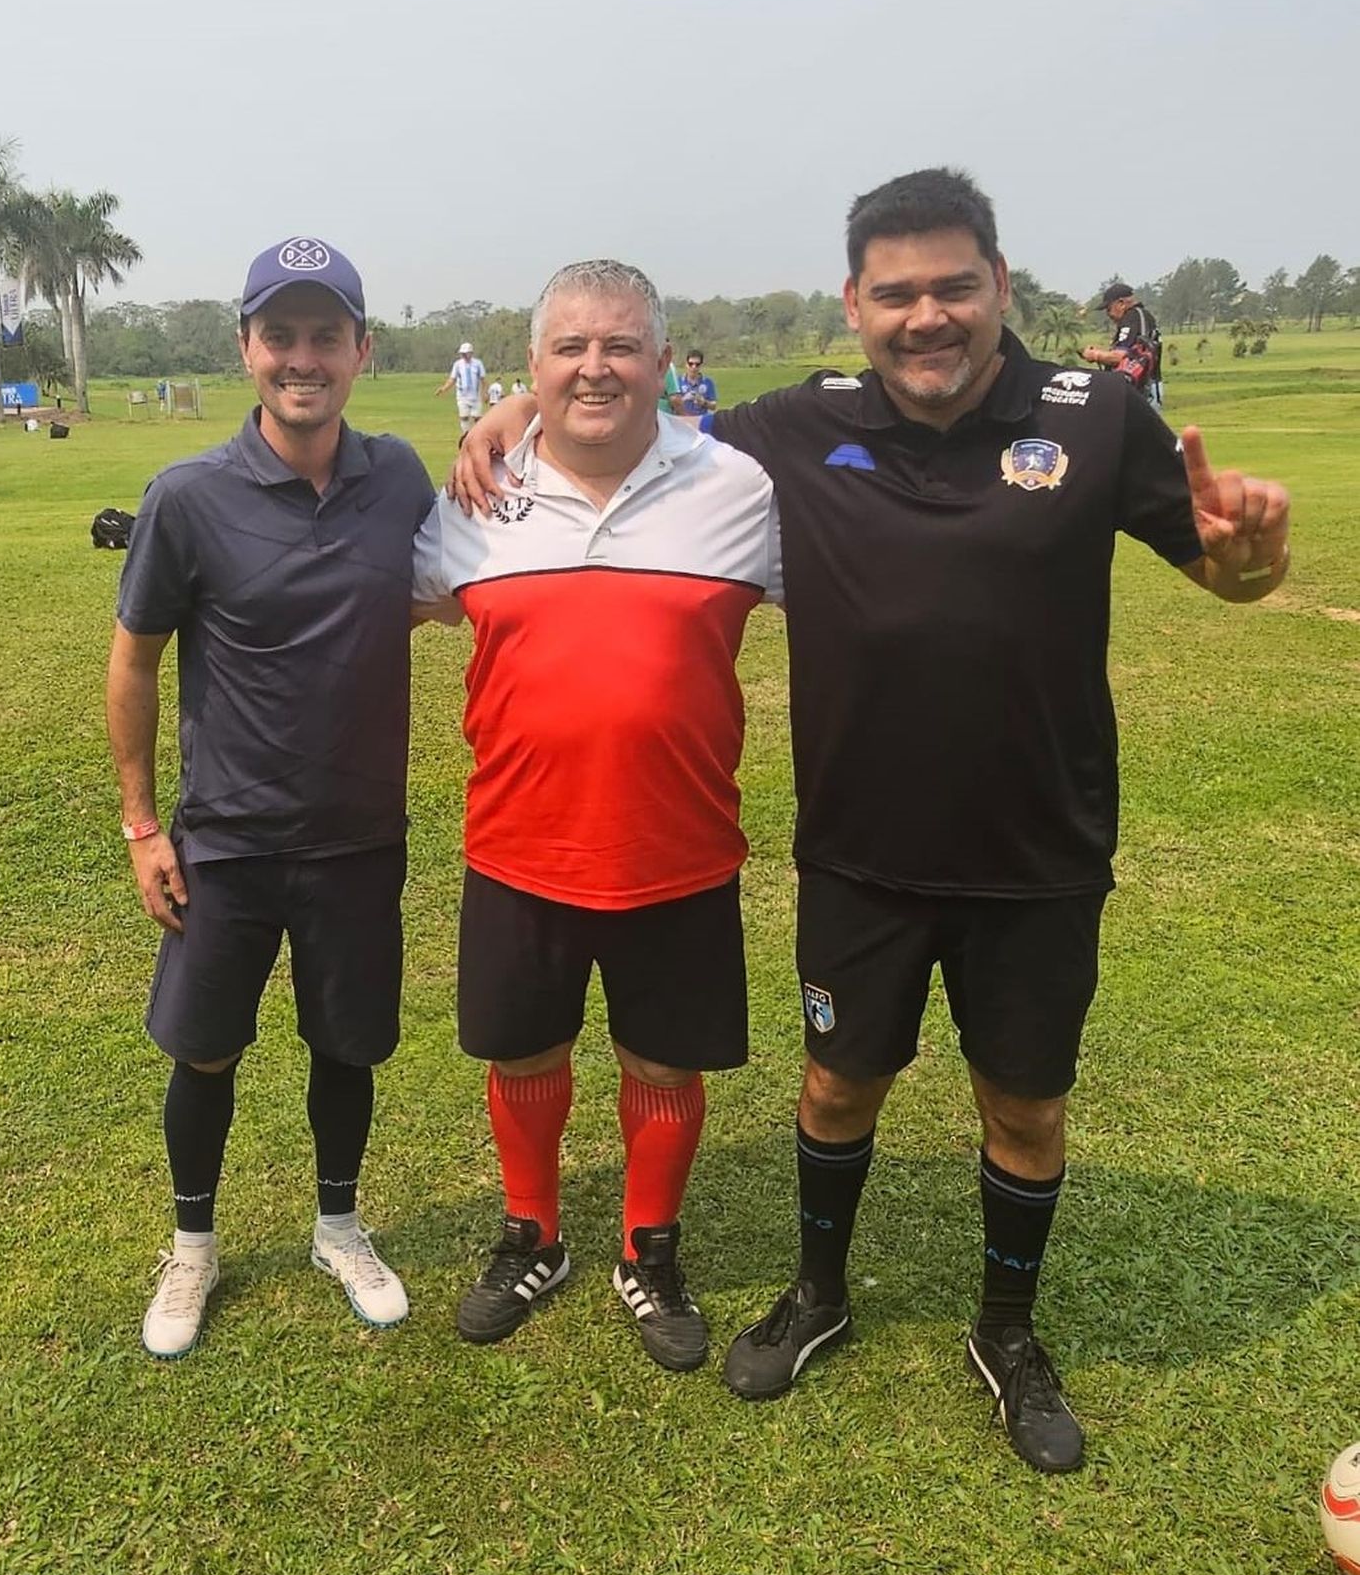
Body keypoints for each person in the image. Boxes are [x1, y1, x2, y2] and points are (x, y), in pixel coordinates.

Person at [449, 170, 1291, 1470]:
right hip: (862, 855)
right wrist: (518, 400)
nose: (927, 315)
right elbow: (619, 418)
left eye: (955, 286)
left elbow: (1225, 569)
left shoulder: (1099, 413)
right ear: (857, 306)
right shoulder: (792, 428)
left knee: (1024, 1107)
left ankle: (1006, 1334)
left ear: (999, 287)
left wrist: (1252, 564)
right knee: (840, 1086)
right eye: (895, 293)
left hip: (1041, 851)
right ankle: (817, 1292)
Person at [413, 259, 781, 1372]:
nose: (595, 366)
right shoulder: (473, 500)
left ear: (663, 363)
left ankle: (646, 1247)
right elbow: (380, 615)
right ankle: (531, 1233)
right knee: (525, 1046)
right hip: (520, 844)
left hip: (679, 849)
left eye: (621, 345)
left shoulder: (740, 491)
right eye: (569, 348)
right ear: (531, 367)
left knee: (665, 1063)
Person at [106, 235, 434, 1359]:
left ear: (360, 349)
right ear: (246, 349)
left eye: (325, 335)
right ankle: (192, 1245)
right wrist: (143, 824)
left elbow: (457, 573)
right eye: (280, 334)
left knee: (346, 1047)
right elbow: (135, 660)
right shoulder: (188, 497)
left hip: (356, 839)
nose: (304, 356)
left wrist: (497, 424)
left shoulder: (398, 479)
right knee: (205, 1051)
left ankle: (338, 1224)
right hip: (227, 843)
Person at [1083, 281, 1164, 409]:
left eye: (1108, 309)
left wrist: (1095, 355)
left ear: (1121, 303)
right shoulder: (1143, 316)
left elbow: (1120, 357)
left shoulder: (1131, 318)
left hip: (1141, 391)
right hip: (1150, 387)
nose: (1108, 314)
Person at [436, 341, 486, 440]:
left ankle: (478, 437)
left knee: (478, 418)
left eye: (465, 353)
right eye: (462, 354)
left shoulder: (478, 364)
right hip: (462, 396)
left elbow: (483, 379)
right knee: (464, 416)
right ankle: (466, 436)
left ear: (471, 353)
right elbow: (452, 379)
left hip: (475, 396)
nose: (463, 355)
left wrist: (485, 393)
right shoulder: (458, 365)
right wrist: (443, 389)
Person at [677, 349, 717, 415]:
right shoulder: (677, 381)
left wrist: (704, 402)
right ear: (686, 364)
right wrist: (684, 398)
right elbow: (671, 405)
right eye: (691, 364)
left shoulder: (708, 382)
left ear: (701, 365)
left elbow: (714, 406)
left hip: (701, 420)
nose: (694, 367)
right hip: (683, 420)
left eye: (697, 364)